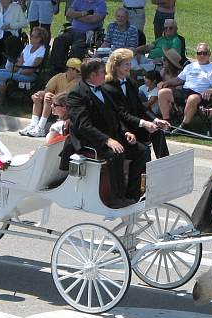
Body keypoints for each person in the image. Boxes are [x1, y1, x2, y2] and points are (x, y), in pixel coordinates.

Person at [62, 58, 149, 207]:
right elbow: (84, 126)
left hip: (110, 136)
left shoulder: (102, 89)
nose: (106, 74)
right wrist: (107, 140)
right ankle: (116, 198)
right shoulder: (76, 94)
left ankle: (133, 194)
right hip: (90, 140)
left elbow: (116, 115)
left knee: (142, 150)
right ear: (93, 75)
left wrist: (125, 131)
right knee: (116, 154)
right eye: (103, 72)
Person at [103, 48, 170, 158]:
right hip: (120, 129)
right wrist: (144, 123)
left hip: (134, 124)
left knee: (158, 133)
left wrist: (156, 120)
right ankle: (142, 174)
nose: (130, 67)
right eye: (126, 64)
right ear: (116, 66)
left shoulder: (131, 83)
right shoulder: (108, 87)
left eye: (130, 63)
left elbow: (140, 107)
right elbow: (121, 114)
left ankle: (164, 166)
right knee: (144, 151)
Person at [157, 42, 212, 132]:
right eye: (199, 53)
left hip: (201, 94)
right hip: (185, 91)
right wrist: (165, 82)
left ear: (209, 54)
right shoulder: (190, 66)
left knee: (192, 98)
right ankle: (166, 123)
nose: (202, 55)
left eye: (204, 53)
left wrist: (211, 90)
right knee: (162, 92)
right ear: (196, 54)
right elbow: (179, 80)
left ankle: (184, 125)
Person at [0, 26, 49, 106]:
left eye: (33, 36)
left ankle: (1, 99)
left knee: (0, 76)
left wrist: (18, 69)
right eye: (31, 36)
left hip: (29, 74)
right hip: (19, 70)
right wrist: (15, 68)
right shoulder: (28, 47)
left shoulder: (41, 51)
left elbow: (31, 69)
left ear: (40, 39)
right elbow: (20, 62)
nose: (31, 38)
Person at [20, 57, 81, 137]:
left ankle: (41, 127)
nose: (79, 73)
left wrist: (54, 98)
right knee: (40, 97)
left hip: (68, 105)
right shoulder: (59, 77)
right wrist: (38, 94)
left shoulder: (79, 81)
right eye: (77, 71)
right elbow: (47, 90)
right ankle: (33, 124)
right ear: (70, 69)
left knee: (48, 96)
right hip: (57, 103)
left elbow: (73, 98)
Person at [48, 0, 107, 73]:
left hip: (88, 34)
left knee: (76, 48)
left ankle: (72, 70)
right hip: (72, 30)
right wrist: (84, 14)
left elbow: (94, 19)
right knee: (59, 40)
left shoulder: (100, 3)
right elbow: (69, 13)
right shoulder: (78, 1)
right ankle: (57, 69)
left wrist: (76, 16)